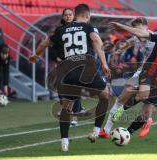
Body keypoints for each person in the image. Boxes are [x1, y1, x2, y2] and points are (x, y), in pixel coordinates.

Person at [29, 4, 111, 151]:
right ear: (87, 15)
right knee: (105, 95)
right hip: (86, 69)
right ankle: (96, 130)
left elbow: (44, 43)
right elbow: (97, 41)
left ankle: (64, 143)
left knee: (66, 107)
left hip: (68, 72)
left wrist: (36, 55)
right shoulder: (88, 27)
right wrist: (104, 63)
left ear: (75, 14)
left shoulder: (61, 30)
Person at [104, 21, 157, 137]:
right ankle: (112, 121)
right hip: (146, 72)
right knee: (136, 95)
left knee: (146, 113)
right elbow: (135, 37)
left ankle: (128, 132)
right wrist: (121, 31)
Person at [99, 17, 157, 138]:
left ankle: (147, 120)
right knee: (120, 99)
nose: (135, 32)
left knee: (147, 106)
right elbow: (130, 42)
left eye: (137, 28)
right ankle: (105, 131)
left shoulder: (156, 37)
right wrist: (119, 51)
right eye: (134, 29)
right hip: (141, 72)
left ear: (145, 27)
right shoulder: (136, 38)